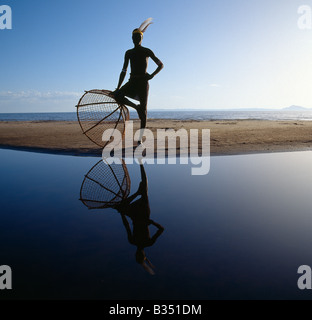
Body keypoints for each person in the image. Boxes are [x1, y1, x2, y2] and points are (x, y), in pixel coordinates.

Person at [113, 18, 164, 142]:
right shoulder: (128, 53)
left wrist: (152, 75)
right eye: (134, 38)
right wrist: (118, 87)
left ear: (141, 39)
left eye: (138, 38)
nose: (136, 40)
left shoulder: (146, 51)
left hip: (143, 83)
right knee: (117, 95)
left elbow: (160, 65)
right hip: (132, 82)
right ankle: (136, 107)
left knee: (144, 112)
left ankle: (140, 138)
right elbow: (124, 70)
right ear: (132, 39)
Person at [115, 162, 164, 275]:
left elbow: (127, 226)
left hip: (134, 217)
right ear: (144, 255)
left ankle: (137, 192)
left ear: (136, 254)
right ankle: (141, 163)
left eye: (138, 255)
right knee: (144, 190)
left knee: (120, 207)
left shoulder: (133, 241)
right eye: (141, 256)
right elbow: (161, 229)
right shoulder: (148, 243)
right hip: (144, 214)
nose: (139, 254)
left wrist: (122, 214)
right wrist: (151, 222)